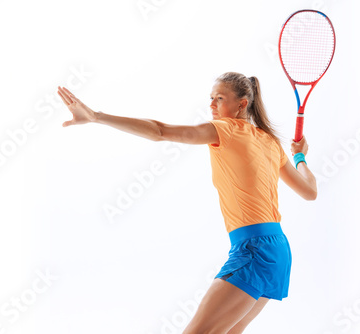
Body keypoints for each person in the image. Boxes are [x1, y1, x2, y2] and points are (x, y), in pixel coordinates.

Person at [57, 71, 317, 333]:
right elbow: (309, 191)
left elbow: (160, 131)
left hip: (253, 250)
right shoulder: (269, 141)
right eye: (211, 98)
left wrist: (96, 116)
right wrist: (300, 158)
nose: (212, 105)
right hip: (279, 251)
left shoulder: (225, 129)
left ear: (242, 104)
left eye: (219, 98)